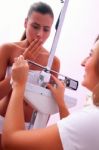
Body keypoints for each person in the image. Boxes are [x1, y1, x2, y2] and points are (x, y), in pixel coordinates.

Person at [2, 36, 99, 150]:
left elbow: (11, 143)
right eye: (36, 26)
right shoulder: (7, 49)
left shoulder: (93, 119)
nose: (83, 62)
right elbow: (73, 135)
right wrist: (61, 104)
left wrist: (18, 85)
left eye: (91, 55)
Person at [0, 2, 60, 149]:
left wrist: (39, 134)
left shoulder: (53, 61)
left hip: (31, 129)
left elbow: (48, 105)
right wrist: (22, 63)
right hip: (2, 121)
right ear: (26, 22)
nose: (40, 34)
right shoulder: (8, 49)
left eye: (46, 29)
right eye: (35, 26)